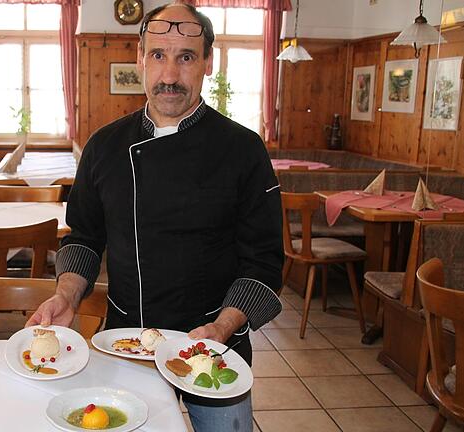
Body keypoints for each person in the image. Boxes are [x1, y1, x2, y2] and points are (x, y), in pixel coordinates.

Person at [27, 2, 283, 431]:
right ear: (140, 57)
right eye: (158, 55)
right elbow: (84, 238)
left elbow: (264, 261)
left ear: (207, 63)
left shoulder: (243, 150)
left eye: (185, 57)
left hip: (216, 345)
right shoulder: (104, 146)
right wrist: (67, 296)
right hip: (128, 339)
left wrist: (223, 327)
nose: (169, 75)